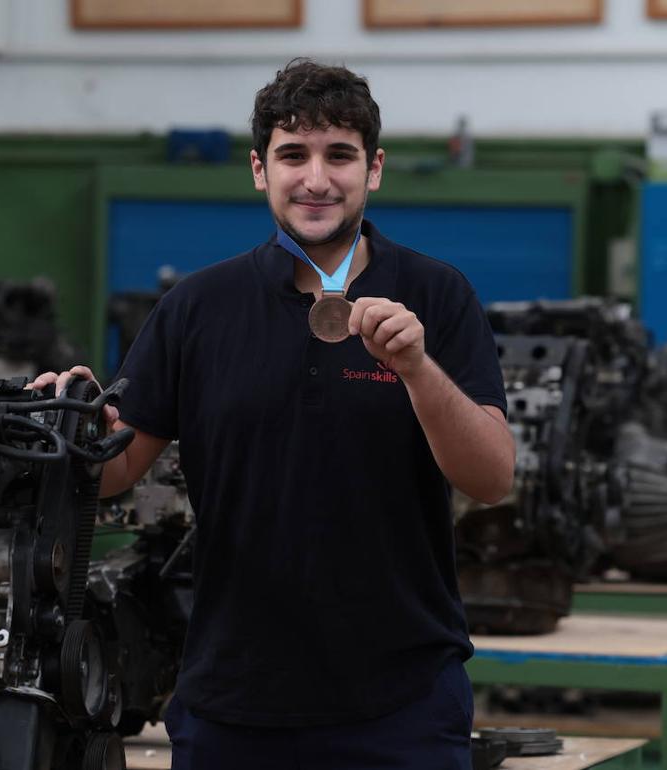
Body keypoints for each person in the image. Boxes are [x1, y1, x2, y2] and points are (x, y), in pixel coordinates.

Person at [31, 59, 514, 770]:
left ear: (373, 169)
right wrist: (67, 431)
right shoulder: (198, 308)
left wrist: (416, 368)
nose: (316, 179)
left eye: (339, 155)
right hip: (234, 703)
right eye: (293, 155)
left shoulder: (436, 296)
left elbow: (493, 477)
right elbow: (116, 471)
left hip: (402, 703)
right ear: (260, 170)